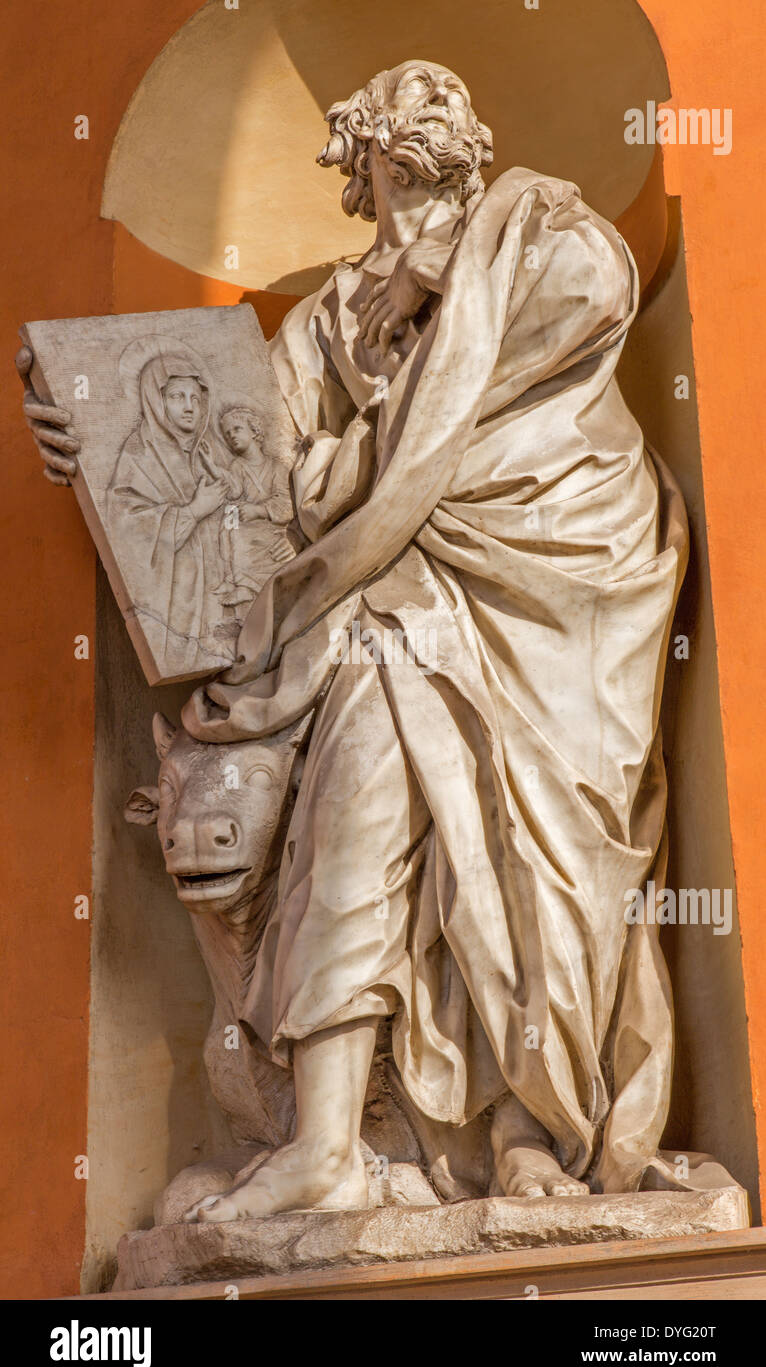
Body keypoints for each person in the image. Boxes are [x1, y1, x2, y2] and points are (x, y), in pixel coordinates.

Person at [19, 59, 688, 1220]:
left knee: (553, 852)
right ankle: (326, 1136)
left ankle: (535, 1134)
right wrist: (93, 426)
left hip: (566, 564)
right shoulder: (332, 313)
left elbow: (598, 291)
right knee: (360, 787)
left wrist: (443, 274)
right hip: (396, 593)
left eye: (438, 100)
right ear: (357, 159)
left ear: (467, 139)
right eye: (390, 112)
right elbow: (253, 460)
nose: (420, 109)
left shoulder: (533, 219)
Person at [105, 349, 231, 669]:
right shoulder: (138, 455)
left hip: (220, 604)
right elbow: (126, 530)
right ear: (155, 400)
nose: (189, 406)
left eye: (195, 397)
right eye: (177, 396)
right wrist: (194, 511)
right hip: (175, 610)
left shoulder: (207, 451)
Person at [215, 405, 297, 618]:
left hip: (271, 527)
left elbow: (287, 502)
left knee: (249, 540)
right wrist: (209, 464)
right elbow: (233, 492)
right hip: (244, 523)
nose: (231, 436)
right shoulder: (237, 466)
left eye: (237, 429)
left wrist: (259, 510)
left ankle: (247, 586)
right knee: (230, 526)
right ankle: (234, 579)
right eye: (227, 433)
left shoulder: (277, 468)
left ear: (254, 431)